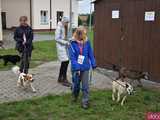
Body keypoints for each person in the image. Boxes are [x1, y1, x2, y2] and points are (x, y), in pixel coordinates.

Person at [69, 27, 96, 109]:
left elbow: (90, 53)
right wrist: (77, 68)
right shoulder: (72, 43)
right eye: (84, 34)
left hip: (85, 67)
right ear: (78, 34)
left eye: (85, 34)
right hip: (76, 68)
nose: (85, 35)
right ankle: (74, 95)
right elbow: (72, 58)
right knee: (76, 85)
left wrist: (93, 63)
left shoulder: (87, 42)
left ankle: (85, 101)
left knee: (85, 86)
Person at [55, 17, 71, 87]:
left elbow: (64, 37)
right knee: (66, 61)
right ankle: (64, 79)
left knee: (64, 62)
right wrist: (65, 43)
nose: (67, 24)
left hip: (63, 47)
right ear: (64, 21)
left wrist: (69, 40)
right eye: (67, 22)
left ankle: (60, 78)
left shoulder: (63, 27)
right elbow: (57, 38)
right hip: (60, 47)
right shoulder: (59, 28)